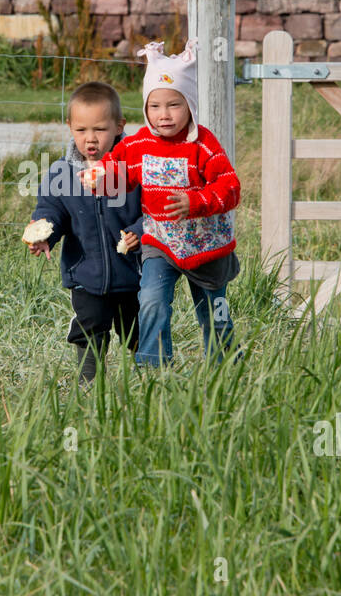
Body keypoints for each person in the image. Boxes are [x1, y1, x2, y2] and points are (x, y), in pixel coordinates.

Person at [84, 39, 241, 367]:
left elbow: (230, 188)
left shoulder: (203, 145)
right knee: (152, 301)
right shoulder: (137, 144)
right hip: (160, 242)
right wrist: (100, 178)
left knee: (215, 313)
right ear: (145, 107)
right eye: (155, 106)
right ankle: (154, 371)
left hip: (206, 245)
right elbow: (122, 176)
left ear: (190, 105)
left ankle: (225, 368)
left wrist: (195, 201)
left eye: (174, 105)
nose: (164, 115)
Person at [26, 81, 145, 383]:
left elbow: (154, 210)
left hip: (134, 273)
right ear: (70, 127)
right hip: (85, 273)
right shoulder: (61, 172)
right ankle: (90, 384)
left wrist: (138, 232)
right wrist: (45, 233)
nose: (90, 139)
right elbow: (51, 210)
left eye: (100, 129)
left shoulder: (136, 167)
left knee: (139, 328)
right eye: (81, 130)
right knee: (90, 328)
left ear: (119, 126)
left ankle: (149, 382)